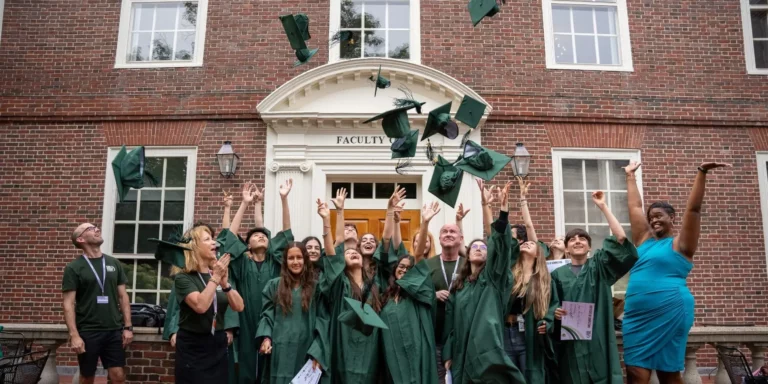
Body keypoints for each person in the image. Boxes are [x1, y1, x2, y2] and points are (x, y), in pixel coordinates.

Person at [622, 161, 730, 384]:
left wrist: (701, 172)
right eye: (651, 216)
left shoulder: (682, 244)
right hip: (636, 316)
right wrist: (630, 176)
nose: (653, 219)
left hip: (670, 310)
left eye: (659, 215)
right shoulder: (643, 240)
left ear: (672, 217)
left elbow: (694, 210)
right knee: (634, 371)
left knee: (668, 373)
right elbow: (634, 208)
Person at [442, 181, 527, 384]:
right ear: (467, 255)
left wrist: (497, 210)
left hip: (487, 350)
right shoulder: (459, 287)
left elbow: (499, 244)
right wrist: (448, 353)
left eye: (483, 247)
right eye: (475, 247)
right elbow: (450, 325)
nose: (480, 248)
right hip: (462, 351)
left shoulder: (494, 279)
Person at [550, 190, 638, 384]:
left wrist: (603, 207)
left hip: (597, 335)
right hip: (569, 341)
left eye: (582, 238)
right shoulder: (557, 275)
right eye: (572, 239)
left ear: (590, 247)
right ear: (566, 249)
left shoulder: (599, 267)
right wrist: (554, 313)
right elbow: (550, 306)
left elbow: (621, 239)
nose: (577, 241)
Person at [320, 189, 399, 383]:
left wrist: (389, 211)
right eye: (348, 254)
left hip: (370, 345)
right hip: (343, 342)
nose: (353, 253)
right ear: (341, 262)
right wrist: (334, 215)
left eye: (355, 253)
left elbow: (387, 242)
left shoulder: (375, 284)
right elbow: (333, 251)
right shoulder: (340, 282)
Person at [227, 180, 295, 384]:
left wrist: (284, 200)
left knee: (270, 370)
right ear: (247, 245)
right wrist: (244, 203)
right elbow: (229, 239)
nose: (261, 237)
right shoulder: (241, 264)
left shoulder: (275, 263)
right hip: (245, 320)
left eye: (264, 236)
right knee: (245, 369)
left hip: (272, 319)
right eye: (255, 236)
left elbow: (286, 234)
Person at [379, 188, 439, 384]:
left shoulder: (418, 290)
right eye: (400, 267)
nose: (404, 270)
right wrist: (392, 216)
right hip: (391, 352)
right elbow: (391, 245)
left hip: (415, 350)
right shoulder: (386, 295)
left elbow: (419, 254)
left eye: (408, 268)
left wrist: (426, 222)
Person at [256, 241, 337, 384]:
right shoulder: (274, 285)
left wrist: (318, 353)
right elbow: (267, 315)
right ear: (285, 261)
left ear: (305, 260)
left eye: (299, 257)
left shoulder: (316, 288)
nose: (295, 262)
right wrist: (266, 338)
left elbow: (323, 321)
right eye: (291, 258)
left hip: (307, 350)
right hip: (280, 350)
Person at [173, 225, 245, 384]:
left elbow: (239, 307)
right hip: (193, 345)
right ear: (194, 247)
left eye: (213, 239)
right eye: (207, 240)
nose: (214, 243)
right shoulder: (183, 278)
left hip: (217, 342)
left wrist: (226, 284)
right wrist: (216, 277)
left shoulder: (217, 274)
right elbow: (201, 305)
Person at [63, 223, 133, 384]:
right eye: (89, 229)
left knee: (118, 375)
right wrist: (74, 335)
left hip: (113, 330)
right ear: (80, 239)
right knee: (87, 377)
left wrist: (128, 327)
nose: (96, 229)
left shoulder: (114, 263)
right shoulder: (74, 268)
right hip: (88, 331)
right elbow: (68, 304)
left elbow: (123, 297)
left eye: (96, 227)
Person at [506, 177, 559, 383]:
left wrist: (524, 200)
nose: (527, 244)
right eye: (524, 243)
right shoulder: (511, 272)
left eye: (531, 243)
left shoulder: (544, 279)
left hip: (528, 335)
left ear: (540, 252)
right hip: (506, 332)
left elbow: (529, 226)